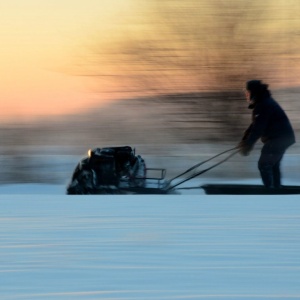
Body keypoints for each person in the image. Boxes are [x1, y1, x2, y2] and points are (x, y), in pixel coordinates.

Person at [238, 80, 295, 188]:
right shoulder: (264, 103)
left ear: (254, 93)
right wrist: (245, 140)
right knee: (272, 165)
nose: (247, 95)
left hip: (279, 139)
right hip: (283, 138)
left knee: (264, 164)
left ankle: (270, 192)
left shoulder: (264, 105)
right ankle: (276, 189)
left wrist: (248, 144)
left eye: (248, 92)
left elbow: (258, 128)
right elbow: (255, 125)